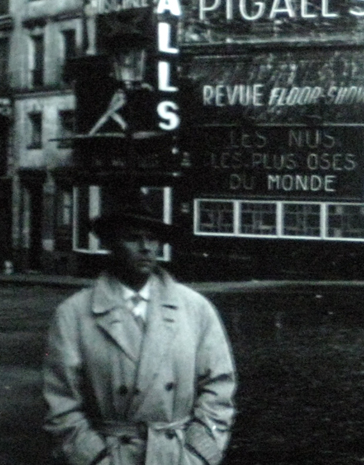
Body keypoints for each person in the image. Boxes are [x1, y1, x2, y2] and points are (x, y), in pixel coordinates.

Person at [43, 196, 236, 465]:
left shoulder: (195, 308)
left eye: (153, 239)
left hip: (177, 456)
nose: (146, 248)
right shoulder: (73, 314)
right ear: (110, 244)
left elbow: (219, 387)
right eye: (133, 238)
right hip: (111, 456)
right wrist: (94, 458)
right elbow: (61, 404)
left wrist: (199, 453)